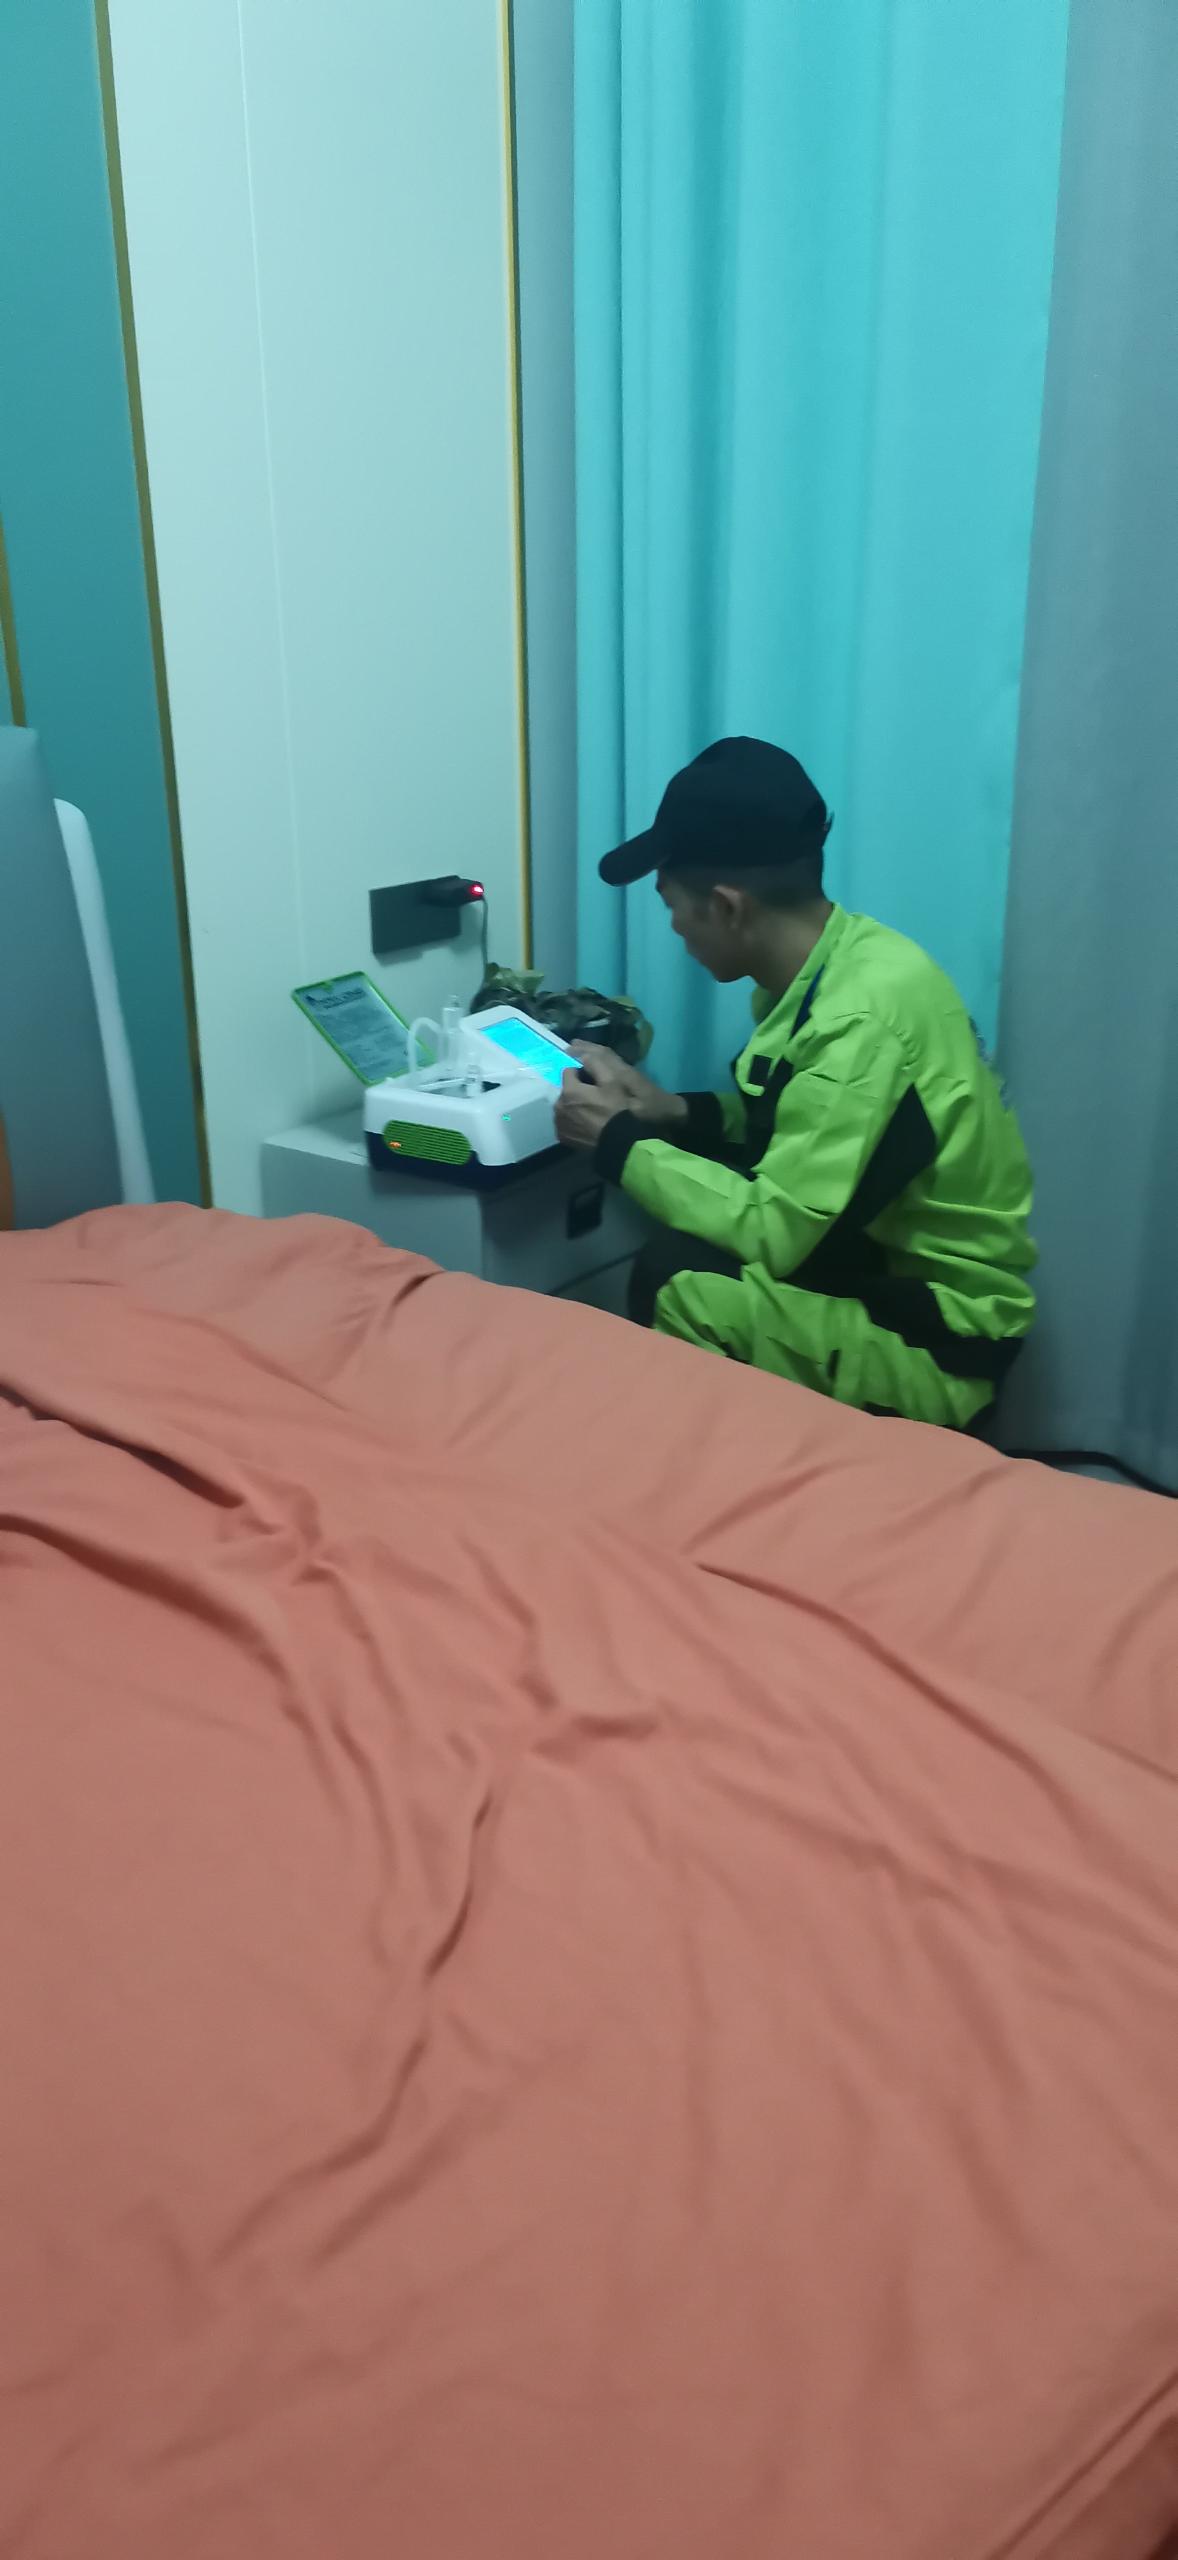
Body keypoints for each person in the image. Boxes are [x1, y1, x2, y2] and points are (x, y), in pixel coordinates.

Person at [554, 736, 1035, 1429]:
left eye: (671, 905)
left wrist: (617, 1141)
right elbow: (804, 1126)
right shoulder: (850, 961)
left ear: (728, 907)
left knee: (678, 1281)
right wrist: (673, 1111)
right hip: (882, 1260)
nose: (674, 928)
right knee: (699, 1225)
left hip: (937, 1335)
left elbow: (774, 1229)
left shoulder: (855, 1023)